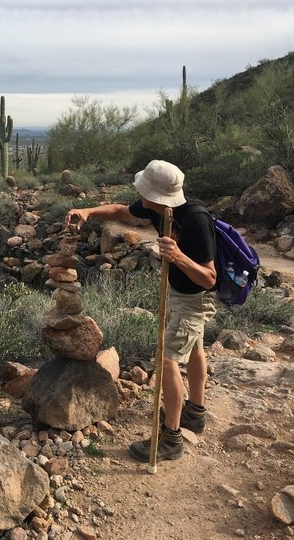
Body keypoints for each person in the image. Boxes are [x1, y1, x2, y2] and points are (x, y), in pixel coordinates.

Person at [65, 160, 217, 463]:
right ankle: (195, 413)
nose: (139, 193)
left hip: (196, 298)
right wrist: (89, 212)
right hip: (179, 292)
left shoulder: (196, 220)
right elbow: (121, 211)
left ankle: (171, 439)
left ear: (158, 196)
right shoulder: (156, 208)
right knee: (195, 346)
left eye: (143, 189)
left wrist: (178, 257)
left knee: (167, 359)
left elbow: (210, 278)